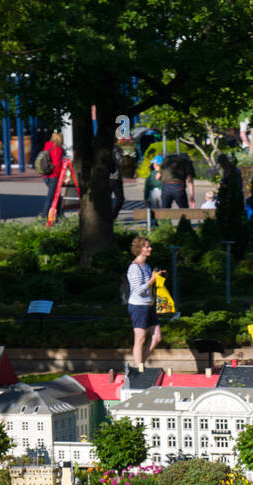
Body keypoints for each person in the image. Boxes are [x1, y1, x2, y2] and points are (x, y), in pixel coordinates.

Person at [127, 235, 163, 371]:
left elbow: (149, 287)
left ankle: (139, 364)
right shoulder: (134, 268)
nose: (150, 248)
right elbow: (138, 290)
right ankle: (139, 368)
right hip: (138, 306)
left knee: (157, 337)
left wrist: (158, 278)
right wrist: (152, 280)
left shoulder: (146, 266)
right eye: (147, 247)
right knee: (140, 338)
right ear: (140, 250)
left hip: (149, 305)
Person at [40, 132, 65, 221]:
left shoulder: (47, 145)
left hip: (45, 174)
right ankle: (43, 215)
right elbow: (57, 164)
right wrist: (62, 176)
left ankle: (60, 214)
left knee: (56, 195)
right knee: (51, 197)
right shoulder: (59, 149)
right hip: (54, 176)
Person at [109, 145, 125, 221]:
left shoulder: (101, 148)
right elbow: (120, 161)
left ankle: (108, 216)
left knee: (106, 198)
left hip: (105, 177)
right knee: (120, 199)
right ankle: (112, 216)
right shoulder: (116, 148)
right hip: (115, 177)